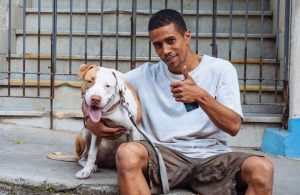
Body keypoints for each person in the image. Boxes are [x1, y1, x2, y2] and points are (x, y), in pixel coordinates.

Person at [84, 9, 274, 195]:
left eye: (171, 40)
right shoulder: (145, 74)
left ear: (187, 37)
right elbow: (100, 87)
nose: (165, 50)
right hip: (162, 155)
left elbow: (233, 126)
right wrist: (89, 120)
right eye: (158, 45)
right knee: (127, 153)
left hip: (212, 156)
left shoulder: (221, 70)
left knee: (262, 168)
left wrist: (201, 96)